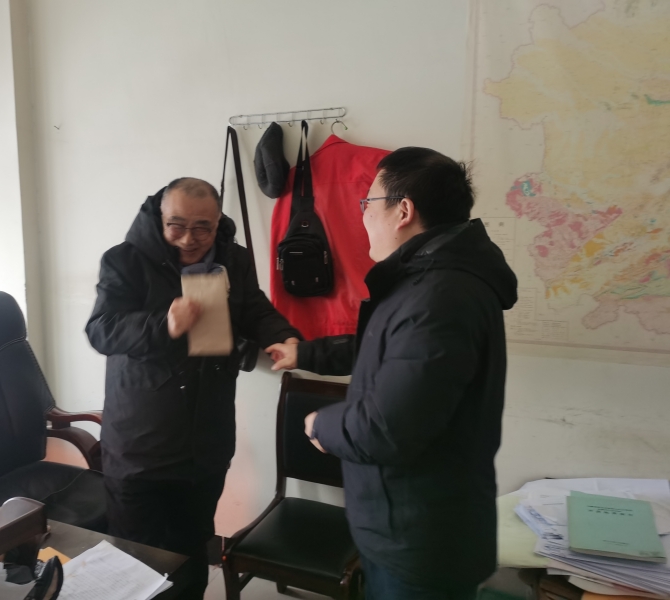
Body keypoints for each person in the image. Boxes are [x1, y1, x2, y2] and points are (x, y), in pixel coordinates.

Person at [267, 148, 518, 599]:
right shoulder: (427, 279)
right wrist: (305, 353)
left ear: (403, 211)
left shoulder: (440, 296)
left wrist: (322, 424)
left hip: (419, 541)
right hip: (407, 525)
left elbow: (387, 428)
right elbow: (382, 348)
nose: (363, 215)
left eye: (368, 203)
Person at [86, 177, 300, 600]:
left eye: (203, 227)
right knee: (138, 560)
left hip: (206, 440)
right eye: (177, 226)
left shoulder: (233, 258)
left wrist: (282, 335)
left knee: (192, 547)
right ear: (159, 217)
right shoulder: (125, 260)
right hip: (140, 444)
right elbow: (102, 329)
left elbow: (254, 308)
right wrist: (163, 323)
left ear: (218, 221)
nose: (189, 239)